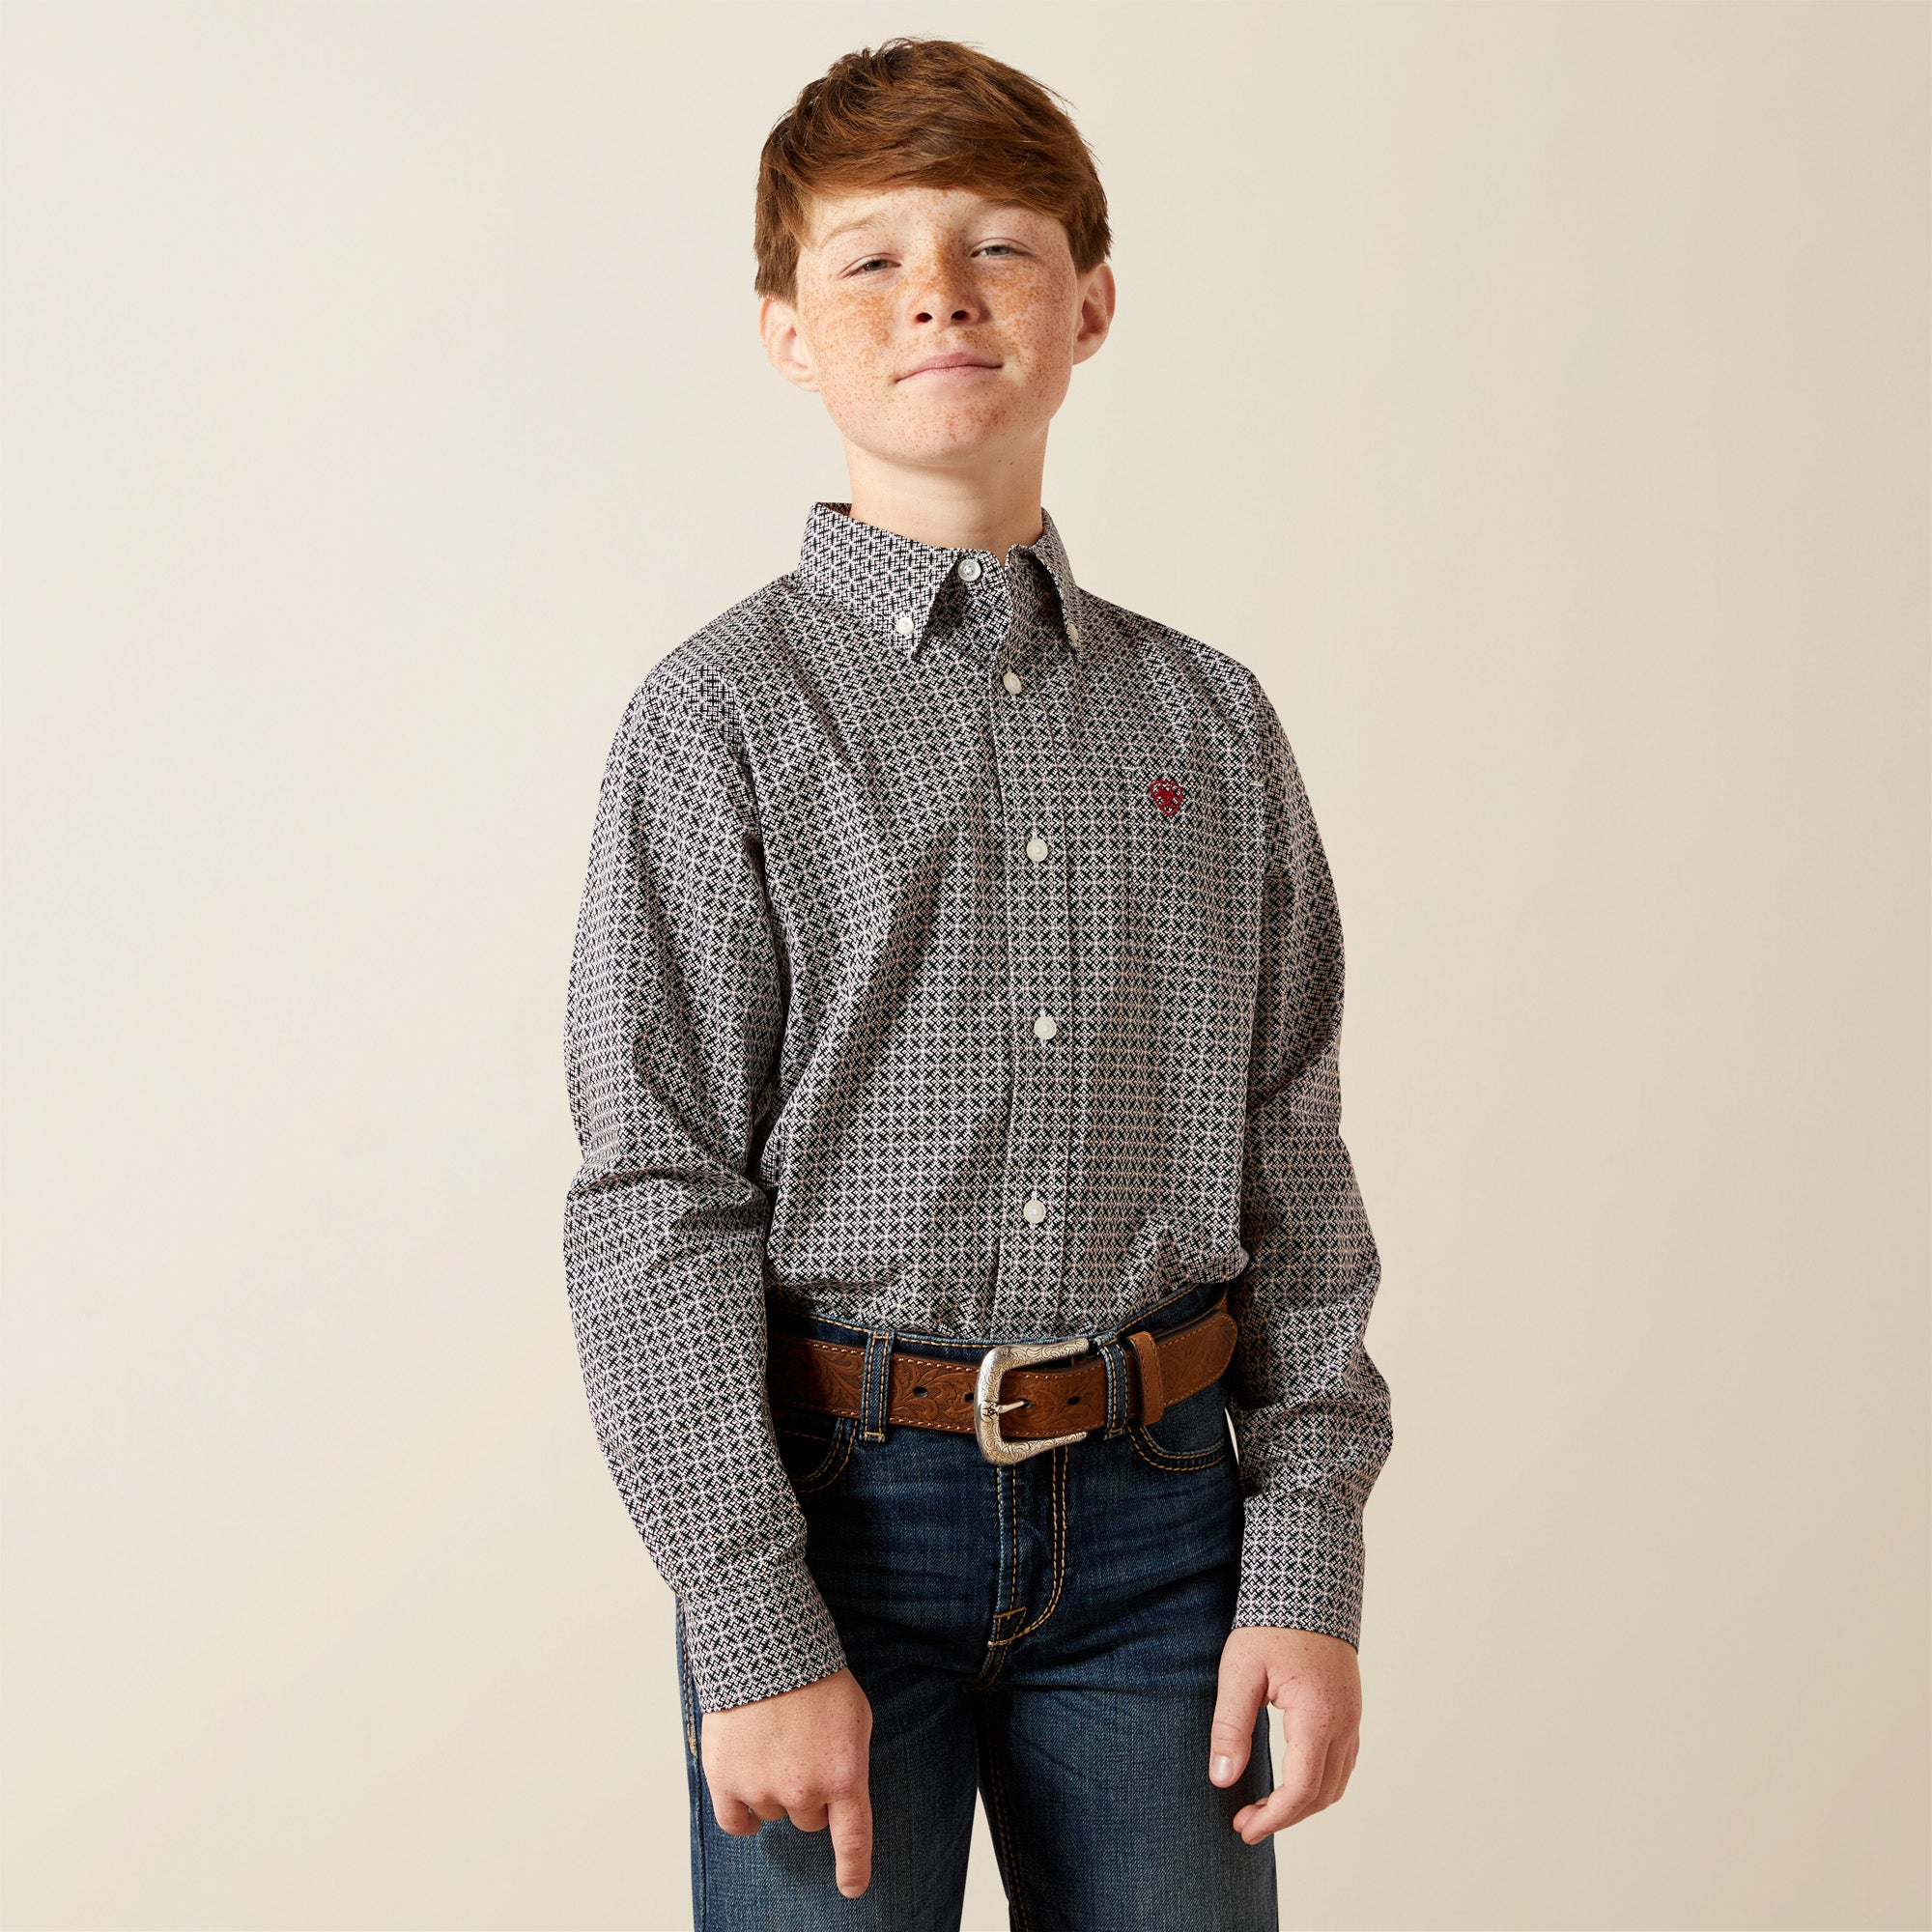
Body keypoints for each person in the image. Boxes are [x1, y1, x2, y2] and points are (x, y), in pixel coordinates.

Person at [562, 35, 1393, 1932]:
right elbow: (653, 1191)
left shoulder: (1211, 720)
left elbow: (1293, 1155)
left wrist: (1303, 1562)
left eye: (998, 246)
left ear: (1087, 306)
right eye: (870, 259)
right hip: (835, 1528)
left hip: (1170, 1527)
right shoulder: (718, 723)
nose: (938, 291)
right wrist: (746, 1612)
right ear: (787, 333)